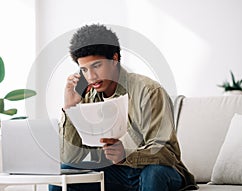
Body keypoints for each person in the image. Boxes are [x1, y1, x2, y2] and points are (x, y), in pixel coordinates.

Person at [49, 24, 198, 191]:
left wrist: (126, 154)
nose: (91, 77)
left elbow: (167, 153)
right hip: (116, 173)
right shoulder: (89, 96)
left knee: (153, 174)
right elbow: (70, 157)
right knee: (64, 175)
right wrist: (70, 107)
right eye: (84, 69)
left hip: (156, 171)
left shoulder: (148, 91)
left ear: (114, 59)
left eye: (97, 66)